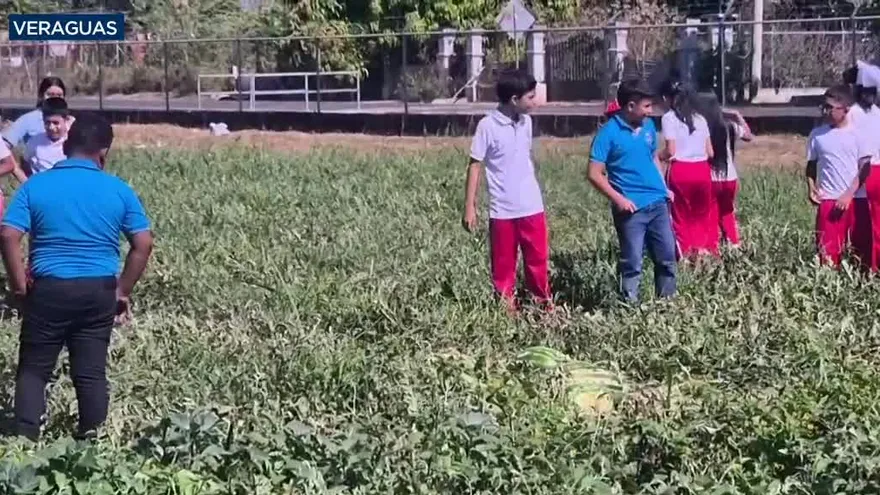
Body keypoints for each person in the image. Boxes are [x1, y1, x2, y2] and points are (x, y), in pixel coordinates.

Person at [0, 114, 154, 441]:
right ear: (104, 152)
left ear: (66, 146)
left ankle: (24, 441)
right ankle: (90, 443)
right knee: (90, 373)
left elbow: (9, 235)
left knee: (34, 369)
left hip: (49, 288)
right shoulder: (118, 190)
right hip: (99, 290)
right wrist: (122, 291)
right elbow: (143, 243)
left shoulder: (36, 186)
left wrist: (19, 288)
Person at [462, 68, 551, 312]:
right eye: (530, 97)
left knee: (538, 263)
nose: (535, 102)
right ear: (514, 99)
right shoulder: (487, 126)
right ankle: (506, 315)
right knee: (503, 269)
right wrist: (470, 207)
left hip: (532, 207)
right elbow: (475, 165)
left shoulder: (526, 122)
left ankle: (543, 309)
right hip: (502, 211)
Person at [588, 78, 677, 303]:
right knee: (632, 262)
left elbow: (653, 157)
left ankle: (667, 304)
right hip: (632, 209)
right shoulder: (607, 134)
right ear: (630, 106)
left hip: (658, 203)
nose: (650, 111)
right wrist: (619, 200)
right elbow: (594, 174)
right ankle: (629, 306)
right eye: (646, 106)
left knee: (667, 258)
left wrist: (664, 187)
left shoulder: (648, 126)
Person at [806, 85, 872, 268]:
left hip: (856, 201)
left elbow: (865, 169)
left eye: (830, 107)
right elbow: (811, 165)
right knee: (827, 257)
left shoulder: (859, 134)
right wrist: (811, 187)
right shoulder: (817, 135)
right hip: (829, 201)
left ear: (846, 109)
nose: (826, 112)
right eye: (824, 107)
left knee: (860, 257)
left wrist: (848, 194)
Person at [660, 81, 717, 257]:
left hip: (681, 171)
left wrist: (658, 156)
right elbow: (710, 152)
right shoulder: (700, 119)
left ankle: (686, 254)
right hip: (702, 170)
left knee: (681, 216)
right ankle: (703, 252)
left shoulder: (669, 118)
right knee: (701, 215)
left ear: (668, 98)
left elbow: (671, 150)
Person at [699, 93, 753, 247]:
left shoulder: (701, 128)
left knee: (712, 212)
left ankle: (713, 246)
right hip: (729, 176)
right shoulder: (729, 126)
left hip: (711, 176)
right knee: (727, 212)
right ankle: (733, 244)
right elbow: (748, 136)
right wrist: (737, 116)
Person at [3, 77, 68, 149]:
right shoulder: (27, 119)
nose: (54, 98)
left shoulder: (71, 120)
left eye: (59, 95)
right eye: (50, 94)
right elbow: (5, 145)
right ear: (41, 96)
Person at [22, 97, 70, 178]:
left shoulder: (72, 141)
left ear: (65, 120)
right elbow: (25, 161)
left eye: (56, 123)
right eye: (47, 123)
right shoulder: (35, 141)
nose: (51, 127)